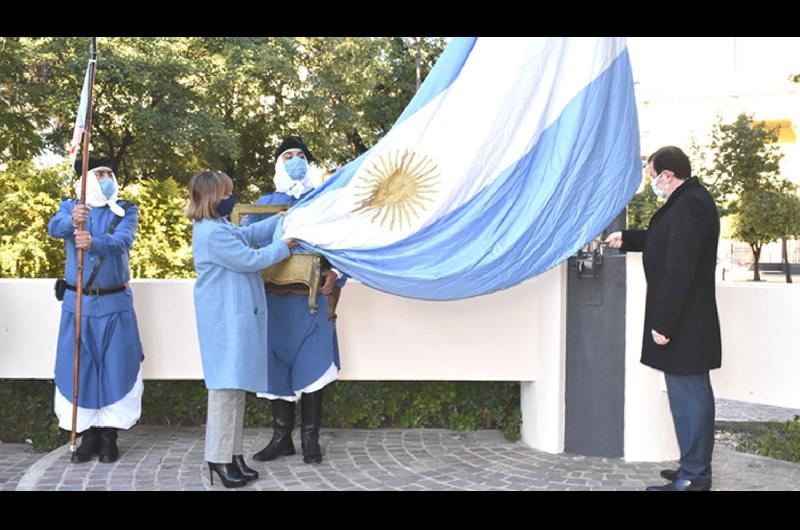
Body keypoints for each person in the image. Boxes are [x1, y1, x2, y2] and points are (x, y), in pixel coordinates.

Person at [606, 146, 721, 491]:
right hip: (685, 321)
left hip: (684, 323)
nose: (651, 181)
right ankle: (692, 467)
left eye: (653, 174)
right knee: (687, 397)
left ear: (667, 175)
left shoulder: (691, 205)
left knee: (690, 400)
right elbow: (664, 242)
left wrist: (663, 323)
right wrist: (626, 239)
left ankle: (695, 477)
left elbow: (679, 268)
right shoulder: (687, 202)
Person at [188, 170, 296, 488]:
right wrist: (285, 245)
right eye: (225, 194)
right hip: (224, 322)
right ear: (210, 197)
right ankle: (218, 459)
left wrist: (279, 220)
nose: (229, 199)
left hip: (231, 320)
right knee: (224, 392)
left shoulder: (219, 226)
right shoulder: (211, 233)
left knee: (234, 391)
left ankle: (232, 455)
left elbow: (248, 237)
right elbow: (251, 259)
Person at [246, 136, 346, 465]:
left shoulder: (324, 200)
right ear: (278, 163)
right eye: (287, 155)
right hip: (274, 302)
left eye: (300, 154)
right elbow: (248, 248)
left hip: (312, 301)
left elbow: (343, 245)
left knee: (313, 367)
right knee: (276, 369)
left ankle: (310, 439)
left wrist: (337, 275)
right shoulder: (264, 203)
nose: (295, 160)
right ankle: (281, 438)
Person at [48, 156, 143, 464]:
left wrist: (94, 241)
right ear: (86, 179)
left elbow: (122, 241)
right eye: (99, 173)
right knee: (80, 369)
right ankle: (87, 435)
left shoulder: (126, 209)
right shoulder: (71, 206)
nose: (106, 178)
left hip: (115, 302)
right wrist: (72, 219)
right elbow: (54, 228)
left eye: (109, 173)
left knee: (116, 366)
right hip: (78, 304)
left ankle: (109, 436)